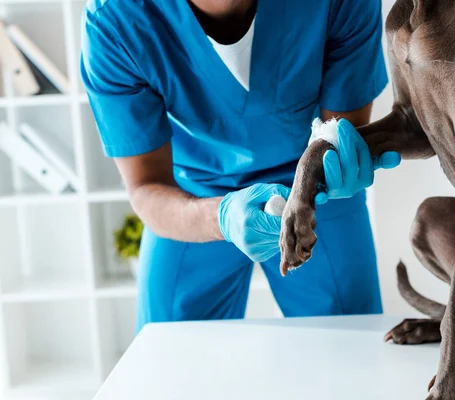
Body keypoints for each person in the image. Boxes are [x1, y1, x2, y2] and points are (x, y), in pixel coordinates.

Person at [80, 0, 400, 332]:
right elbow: (146, 186)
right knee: (169, 359)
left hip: (315, 188)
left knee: (353, 351)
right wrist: (220, 218)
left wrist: (340, 164)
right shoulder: (116, 21)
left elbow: (337, 133)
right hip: (191, 197)